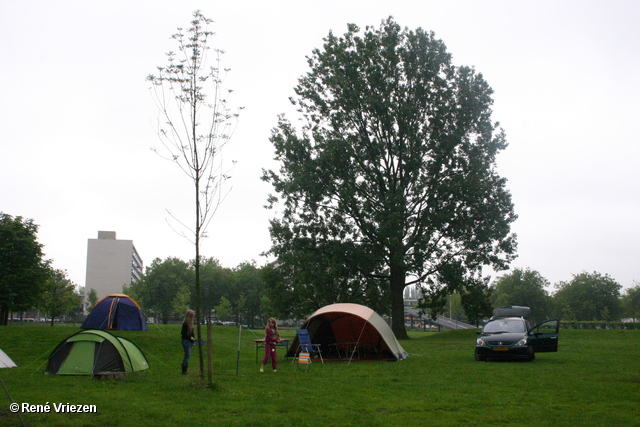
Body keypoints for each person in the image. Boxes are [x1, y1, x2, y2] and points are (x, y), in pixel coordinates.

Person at [181, 309, 195, 375]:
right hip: (186, 341)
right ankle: (184, 370)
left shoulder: (191, 324)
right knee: (187, 355)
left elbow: (192, 333)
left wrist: (193, 341)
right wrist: (189, 337)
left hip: (189, 341)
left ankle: (185, 368)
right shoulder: (185, 324)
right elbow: (183, 333)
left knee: (188, 355)